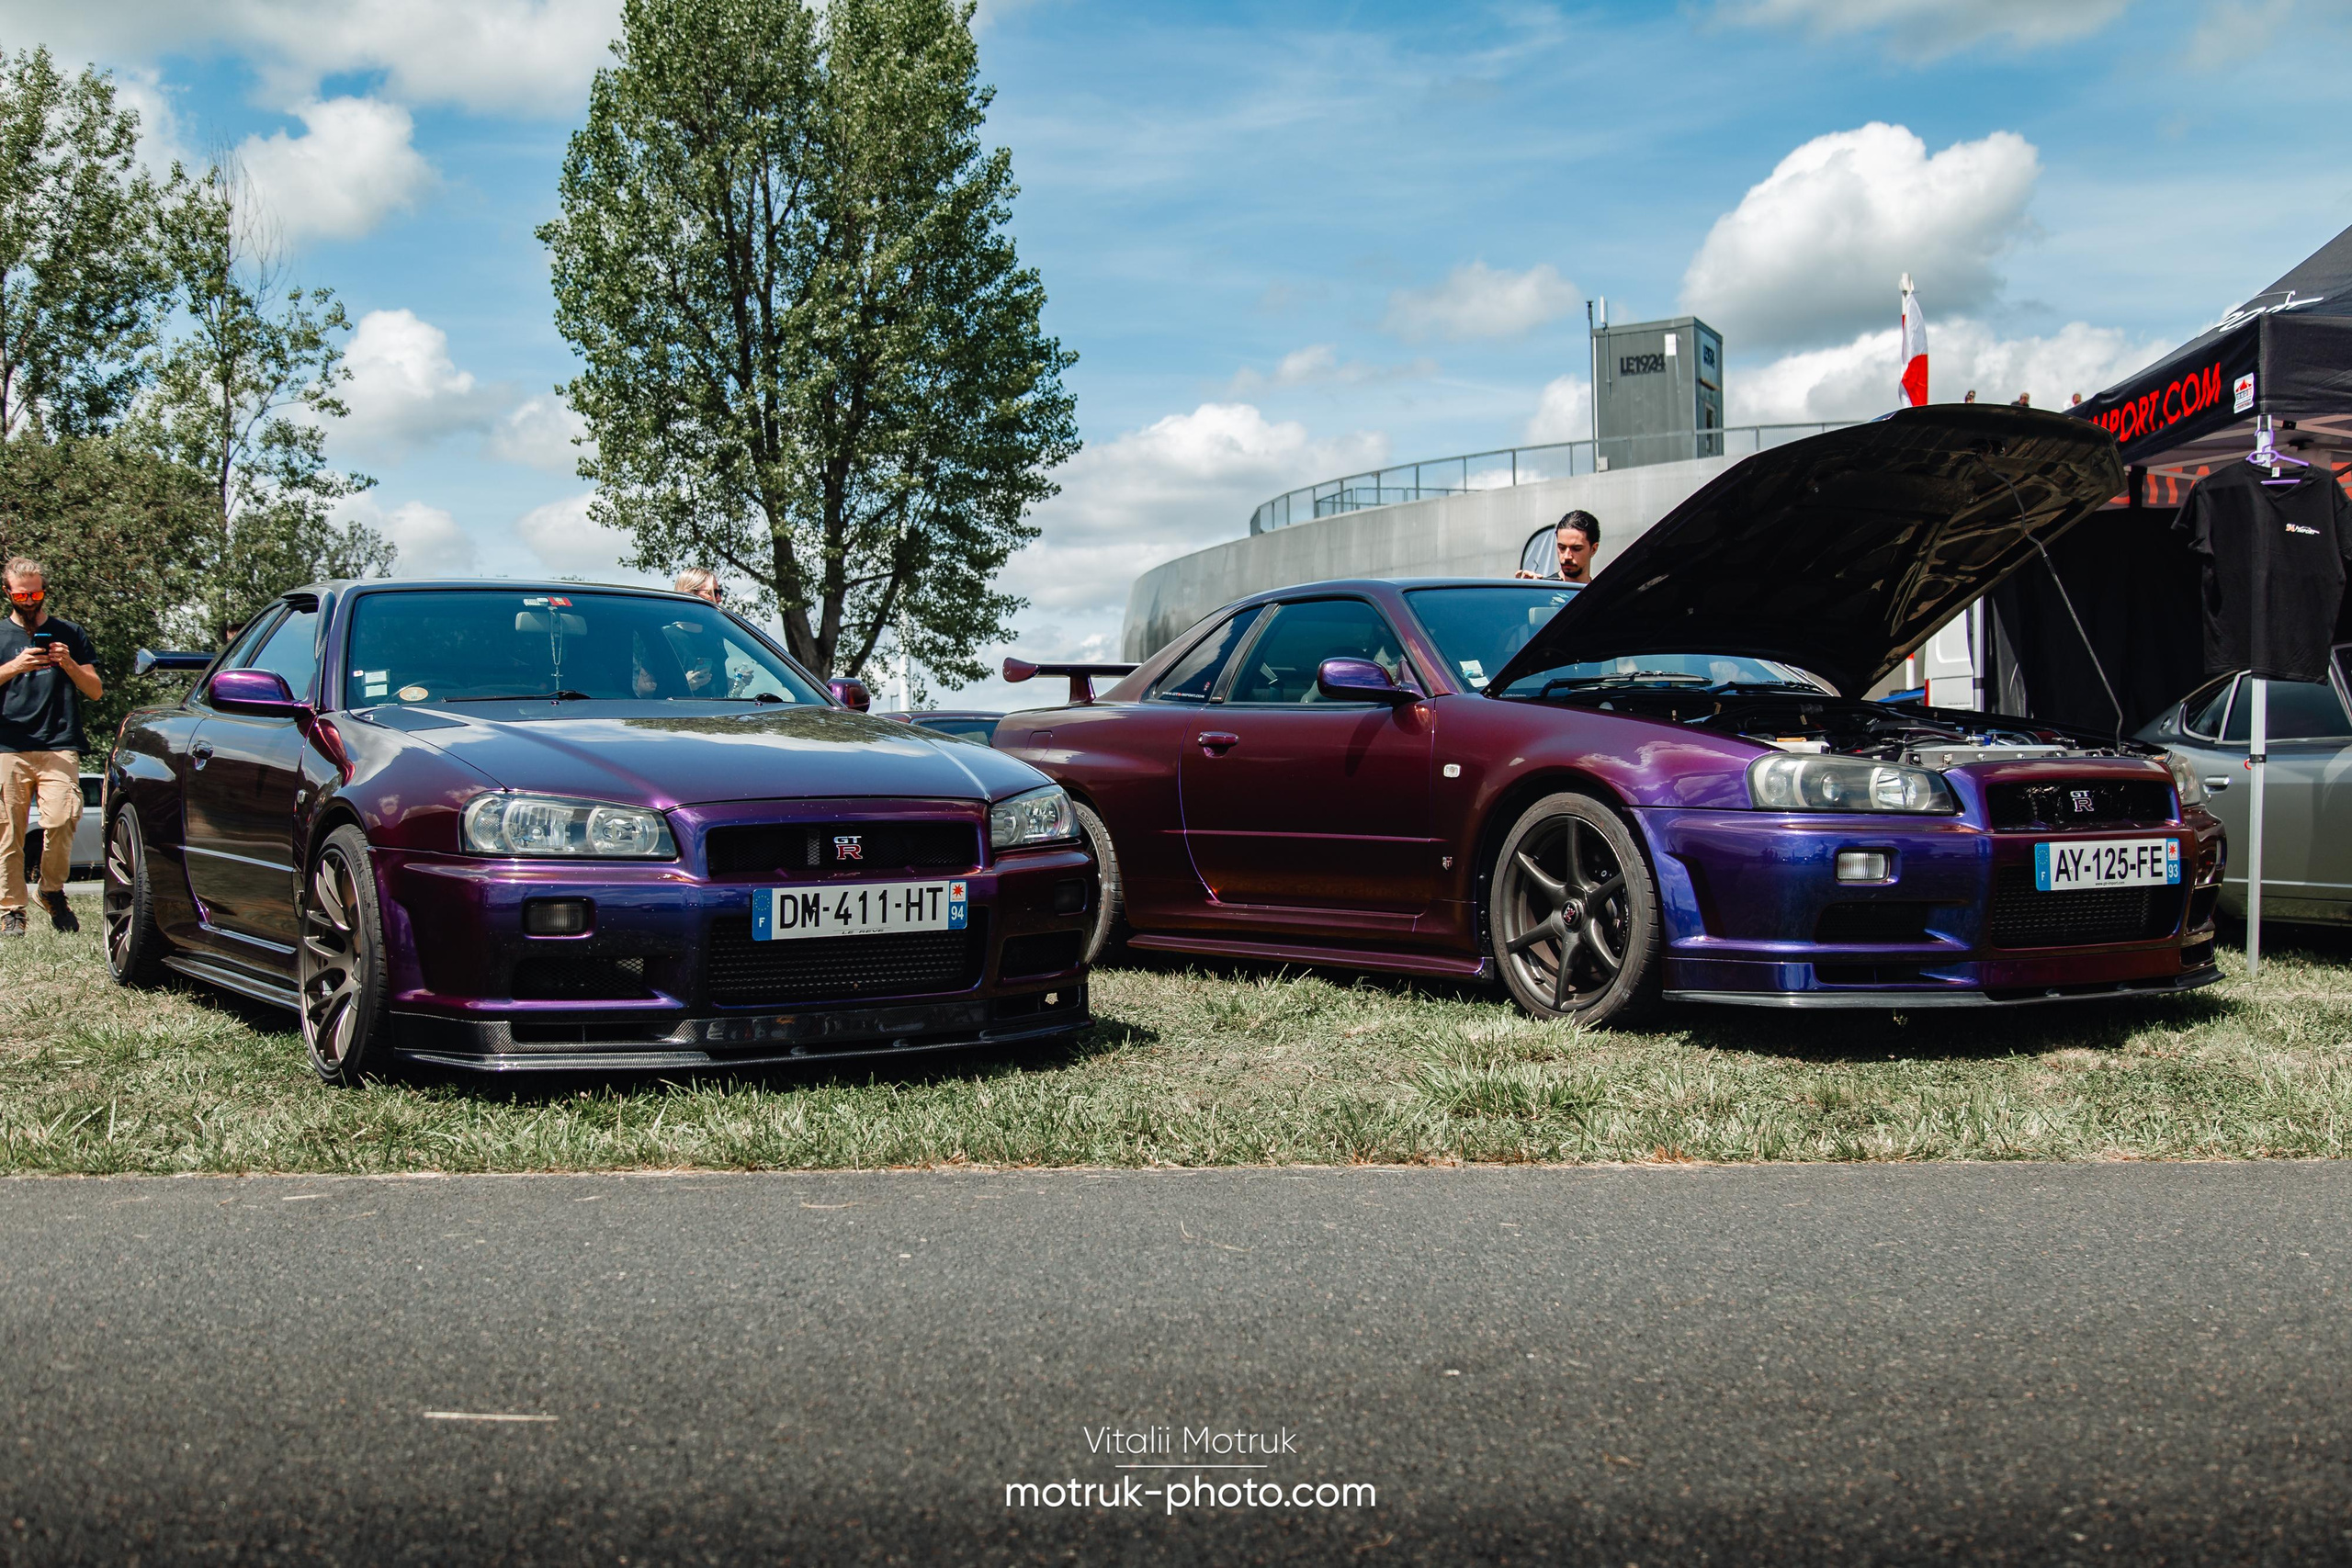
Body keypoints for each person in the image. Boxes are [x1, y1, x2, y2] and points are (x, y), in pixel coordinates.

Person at [0, 557, 101, 935]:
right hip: (7, 747)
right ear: (8, 592)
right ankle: (12, 910)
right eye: (22, 593)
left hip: (59, 744)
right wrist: (15, 667)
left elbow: (94, 690)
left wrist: (70, 664)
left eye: (37, 592)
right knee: (8, 834)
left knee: (62, 819)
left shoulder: (69, 632)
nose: (30, 600)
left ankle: (51, 889)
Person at [1515, 511, 1600, 584]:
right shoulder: (1545, 590)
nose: (1567, 556)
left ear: (1593, 549)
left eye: (1576, 548)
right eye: (1562, 548)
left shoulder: (1602, 596)